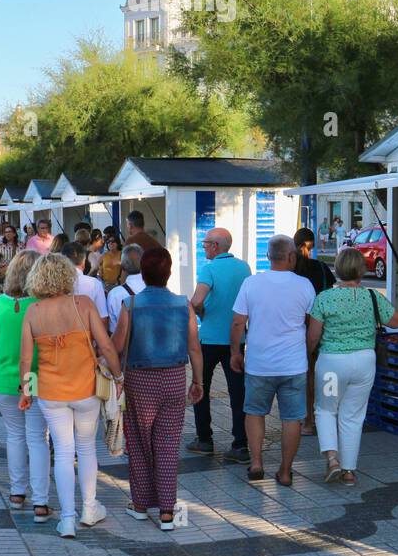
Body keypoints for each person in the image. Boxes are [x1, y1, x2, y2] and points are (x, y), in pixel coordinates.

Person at [18, 253, 122, 538]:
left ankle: (66, 519)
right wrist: (119, 376)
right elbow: (107, 347)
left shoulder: (33, 312)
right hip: (85, 388)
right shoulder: (83, 305)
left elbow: (26, 360)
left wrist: (26, 391)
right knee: (86, 447)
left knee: (63, 451)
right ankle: (89, 508)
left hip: (51, 392)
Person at [112, 247, 203, 530]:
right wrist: (198, 381)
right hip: (174, 377)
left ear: (143, 272)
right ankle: (167, 510)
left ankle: (140, 504)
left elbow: (116, 347)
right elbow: (194, 347)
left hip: (140, 380)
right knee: (167, 445)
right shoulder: (183, 304)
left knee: (139, 443)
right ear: (169, 272)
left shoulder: (131, 304)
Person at [308, 245, 398, 484]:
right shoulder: (372, 296)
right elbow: (397, 321)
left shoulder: (325, 298)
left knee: (326, 409)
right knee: (353, 415)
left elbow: (313, 336)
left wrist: (308, 356)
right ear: (361, 271)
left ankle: (332, 459)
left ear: (338, 270)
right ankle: (349, 471)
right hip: (364, 362)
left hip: (332, 363)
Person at [230, 234, 315, 487]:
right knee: (292, 418)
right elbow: (312, 325)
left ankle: (256, 463)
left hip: (259, 364)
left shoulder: (251, 283)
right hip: (293, 364)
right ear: (291, 257)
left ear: (268, 256)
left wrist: (235, 351)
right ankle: (286, 471)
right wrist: (308, 351)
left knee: (255, 413)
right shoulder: (305, 285)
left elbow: (237, 322)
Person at [0, 251, 51, 521]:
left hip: (2, 378)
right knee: (37, 437)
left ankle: (17, 493)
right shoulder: (42, 305)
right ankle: (41, 501)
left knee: (14, 435)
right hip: (35, 378)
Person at [187, 228, 250, 464]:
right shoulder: (244, 267)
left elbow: (196, 301)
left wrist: (202, 314)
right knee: (237, 391)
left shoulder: (209, 269)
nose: (204, 248)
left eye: (205, 245)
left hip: (210, 339)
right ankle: (240, 443)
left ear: (215, 246)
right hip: (236, 340)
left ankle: (204, 439)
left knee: (200, 386)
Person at [294, 227, 336, 438]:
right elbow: (330, 293)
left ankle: (308, 420)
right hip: (324, 327)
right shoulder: (320, 267)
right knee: (324, 375)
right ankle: (325, 418)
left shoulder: (292, 270)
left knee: (307, 375)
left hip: (300, 328)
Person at [62, 241, 109, 328]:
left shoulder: (56, 283)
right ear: (84, 261)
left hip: (63, 338)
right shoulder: (95, 284)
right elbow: (103, 318)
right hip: (89, 336)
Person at [106, 243, 145, 334]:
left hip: (127, 346)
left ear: (122, 266)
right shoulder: (155, 290)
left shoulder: (114, 294)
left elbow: (113, 330)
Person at [0, 225, 19, 297]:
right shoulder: (0, 246)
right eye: (6, 232)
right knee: (2, 295)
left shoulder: (20, 245)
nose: (7, 234)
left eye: (9, 232)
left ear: (14, 234)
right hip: (3, 274)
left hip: (16, 275)